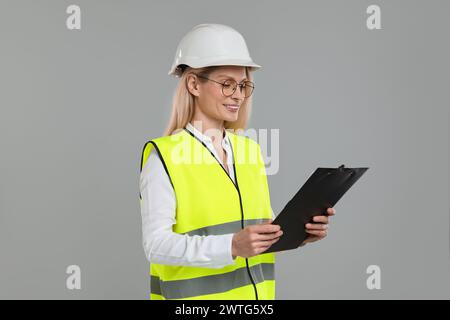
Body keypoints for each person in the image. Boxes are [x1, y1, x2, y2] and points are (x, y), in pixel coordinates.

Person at [139, 23, 336, 300]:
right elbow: (156, 245)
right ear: (194, 84)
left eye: (243, 85)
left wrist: (299, 232)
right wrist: (231, 246)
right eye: (227, 84)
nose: (238, 95)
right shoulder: (165, 156)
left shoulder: (250, 151)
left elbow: (258, 234)